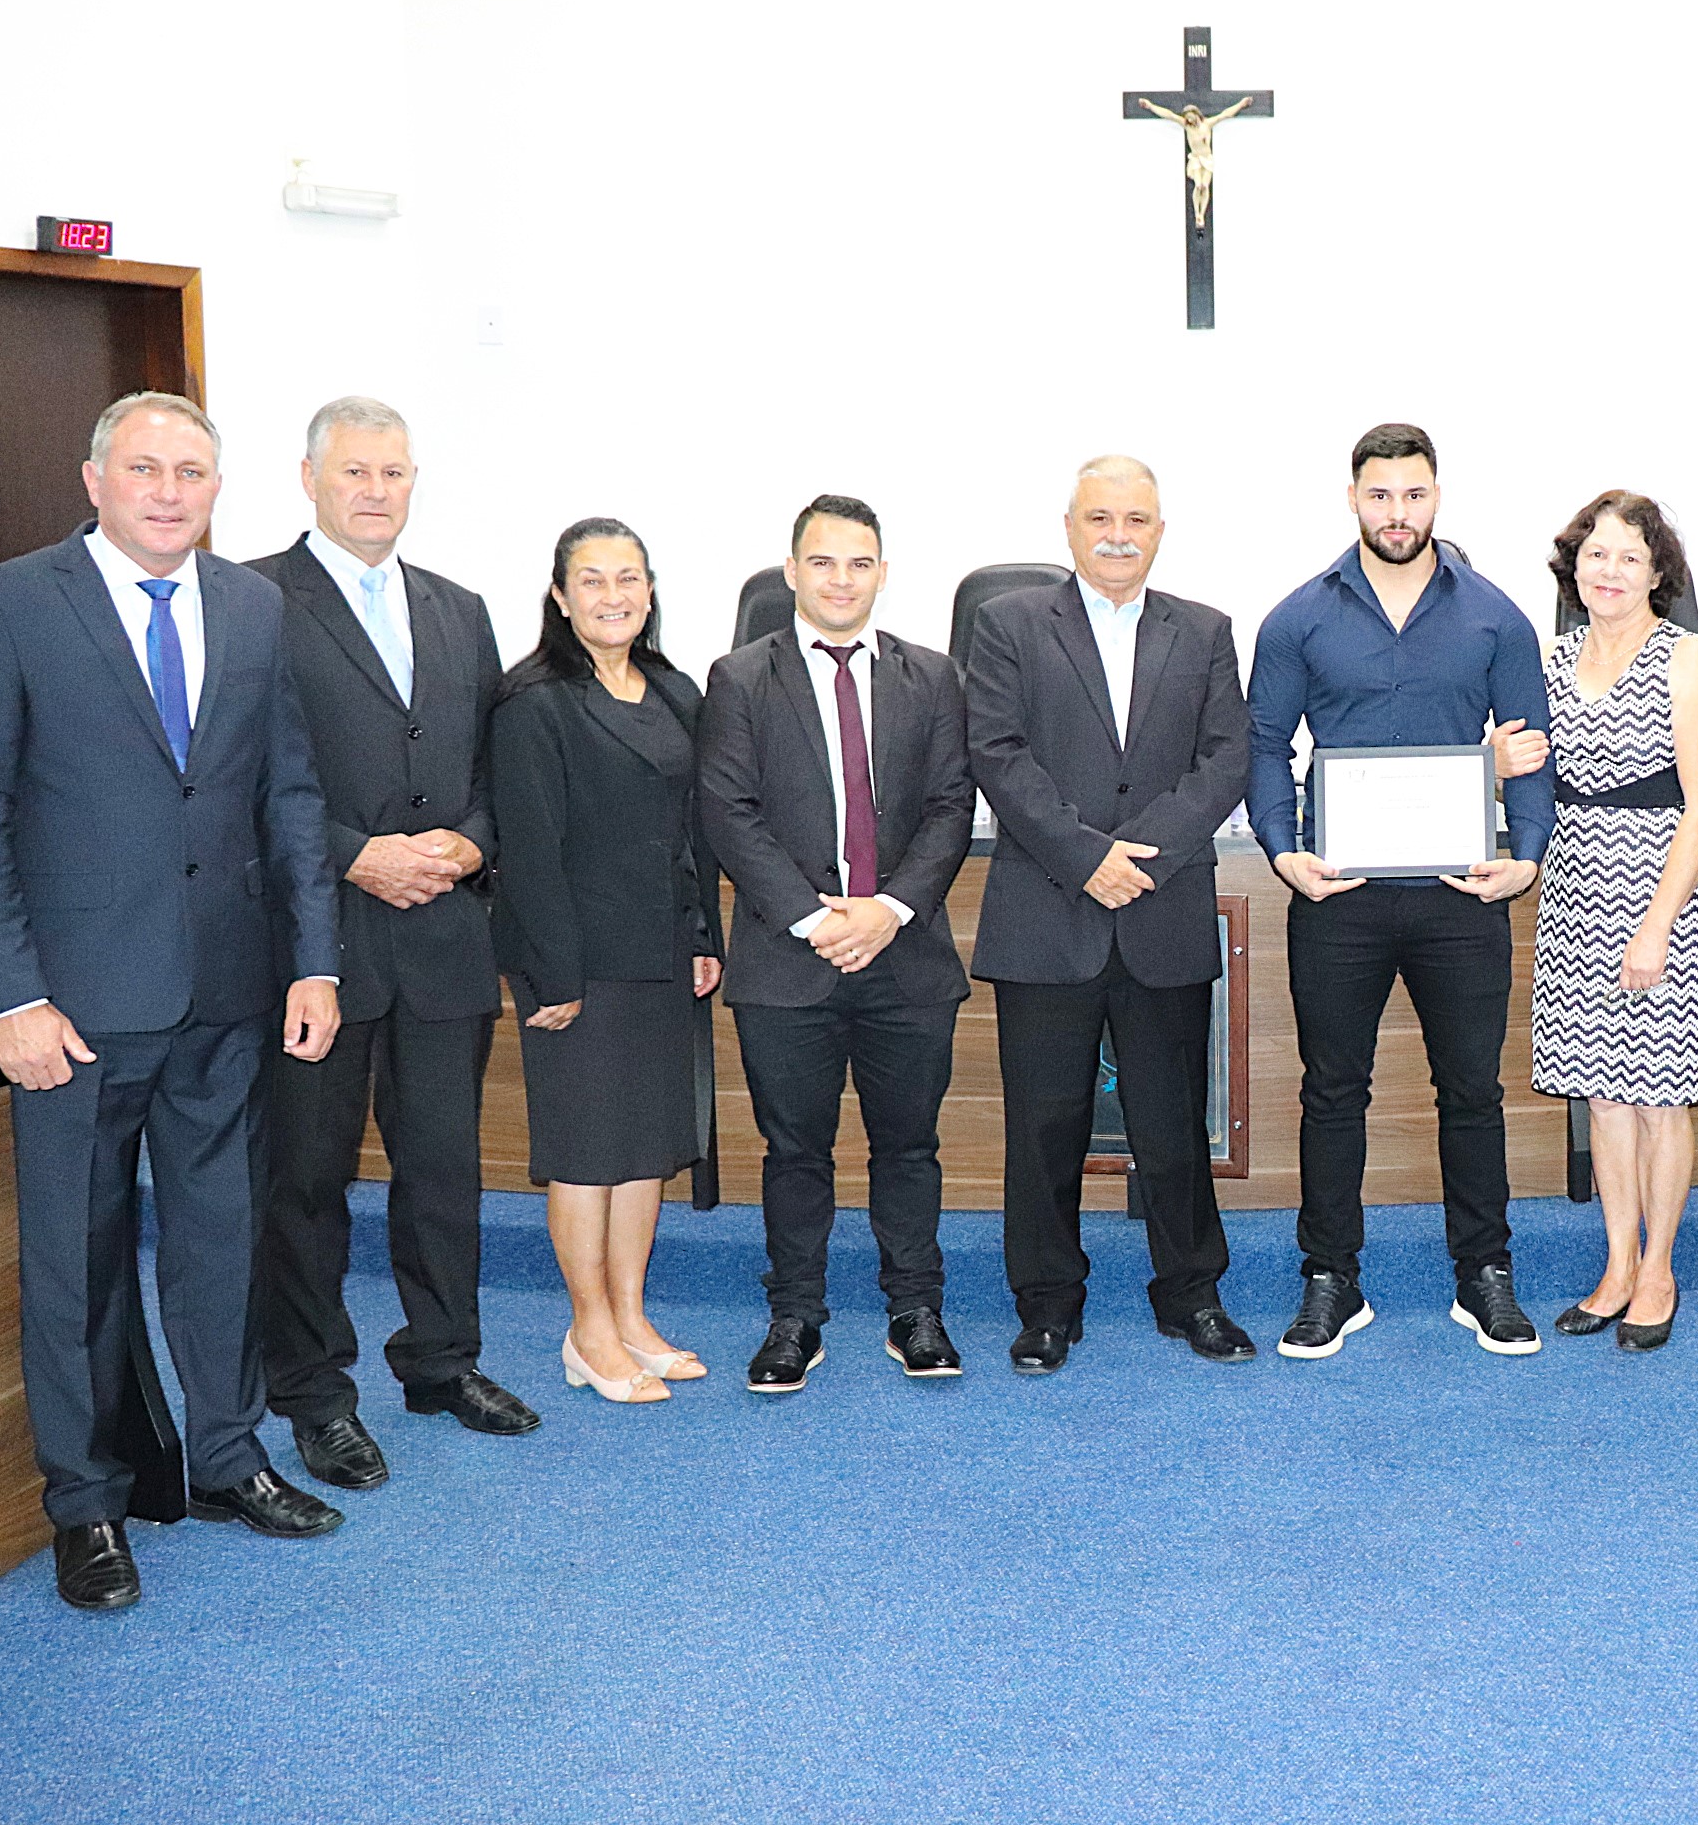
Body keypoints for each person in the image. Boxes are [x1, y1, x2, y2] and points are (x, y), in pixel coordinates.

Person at [0, 391, 347, 1610]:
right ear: (94, 478)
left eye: (194, 472)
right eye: (146, 468)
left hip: (227, 993)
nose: (171, 491)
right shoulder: (9, 603)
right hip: (74, 1010)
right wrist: (10, 992)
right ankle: (89, 1506)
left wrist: (313, 959)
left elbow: (292, 801)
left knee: (223, 1241)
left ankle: (227, 1456)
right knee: (79, 1257)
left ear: (220, 491)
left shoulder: (255, 608)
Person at [247, 396, 535, 1491]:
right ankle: (315, 1393)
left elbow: (493, 776)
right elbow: (235, 778)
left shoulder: (458, 609)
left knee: (443, 1171)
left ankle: (442, 1360)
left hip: (445, 940)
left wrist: (465, 842)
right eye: (355, 471)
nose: (376, 490)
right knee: (308, 1181)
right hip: (319, 939)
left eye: (395, 472)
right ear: (310, 478)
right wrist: (355, 852)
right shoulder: (255, 601)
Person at [1247, 422, 1555, 1359]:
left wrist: (1528, 854)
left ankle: (1484, 1277)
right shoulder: (1298, 618)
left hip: (1464, 893)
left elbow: (1531, 749)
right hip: (1337, 896)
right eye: (1379, 495)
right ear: (1353, 498)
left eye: (1413, 494)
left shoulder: (1495, 616)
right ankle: (1331, 1279)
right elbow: (1264, 748)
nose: (1397, 512)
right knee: (1332, 1090)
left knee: (1473, 1090)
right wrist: (1280, 849)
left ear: (1437, 497)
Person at [964, 456, 1255, 1371]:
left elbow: (1226, 759)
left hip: (1162, 913)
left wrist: (1145, 857)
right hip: (1049, 910)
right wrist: (1088, 858)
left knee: (1172, 1127)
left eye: (1137, 518)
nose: (1118, 533)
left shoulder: (1204, 630)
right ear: (1069, 527)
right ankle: (1047, 1305)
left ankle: (1192, 1296)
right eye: (1100, 517)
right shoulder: (1007, 624)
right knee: (1043, 1124)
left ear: (1161, 530)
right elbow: (997, 753)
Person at [697, 496, 975, 1390]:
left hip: (907, 954)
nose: (841, 580)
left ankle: (915, 1309)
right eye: (823, 563)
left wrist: (887, 909)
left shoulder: (933, 677)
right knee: (795, 1152)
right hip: (788, 962)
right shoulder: (739, 677)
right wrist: (818, 920)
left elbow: (949, 807)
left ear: (883, 574)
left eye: (859, 563)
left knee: (909, 1147)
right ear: (791, 573)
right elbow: (728, 812)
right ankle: (796, 1317)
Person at [490, 519, 724, 1406]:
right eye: (591, 581)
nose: (613, 596)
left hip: (662, 955)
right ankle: (586, 1330)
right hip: (576, 966)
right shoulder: (532, 702)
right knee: (586, 1152)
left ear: (651, 590)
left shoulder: (673, 691)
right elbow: (531, 853)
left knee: (643, 1150)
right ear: (559, 597)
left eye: (628, 578)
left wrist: (704, 937)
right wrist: (551, 978)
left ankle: (631, 1315)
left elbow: (695, 835)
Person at [1525, 492, 1698, 1352]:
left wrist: (1656, 924)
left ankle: (1660, 1269)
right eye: (1596, 555)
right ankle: (1614, 1264)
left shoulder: (1686, 658)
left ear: (1657, 574)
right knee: (1604, 1098)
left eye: (1628, 559)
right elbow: (1529, 776)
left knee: (1658, 1100)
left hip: (1658, 891)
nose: (1609, 572)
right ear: (1576, 566)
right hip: (1574, 890)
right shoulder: (1551, 657)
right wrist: (1495, 760)